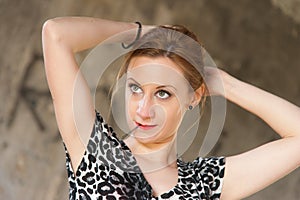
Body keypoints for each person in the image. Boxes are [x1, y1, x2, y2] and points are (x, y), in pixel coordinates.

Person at [42, 17, 300, 200]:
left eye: (163, 94)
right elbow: (56, 34)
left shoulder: (203, 185)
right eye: (136, 89)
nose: (143, 110)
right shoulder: (95, 149)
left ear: (194, 97)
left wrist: (226, 84)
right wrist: (143, 33)